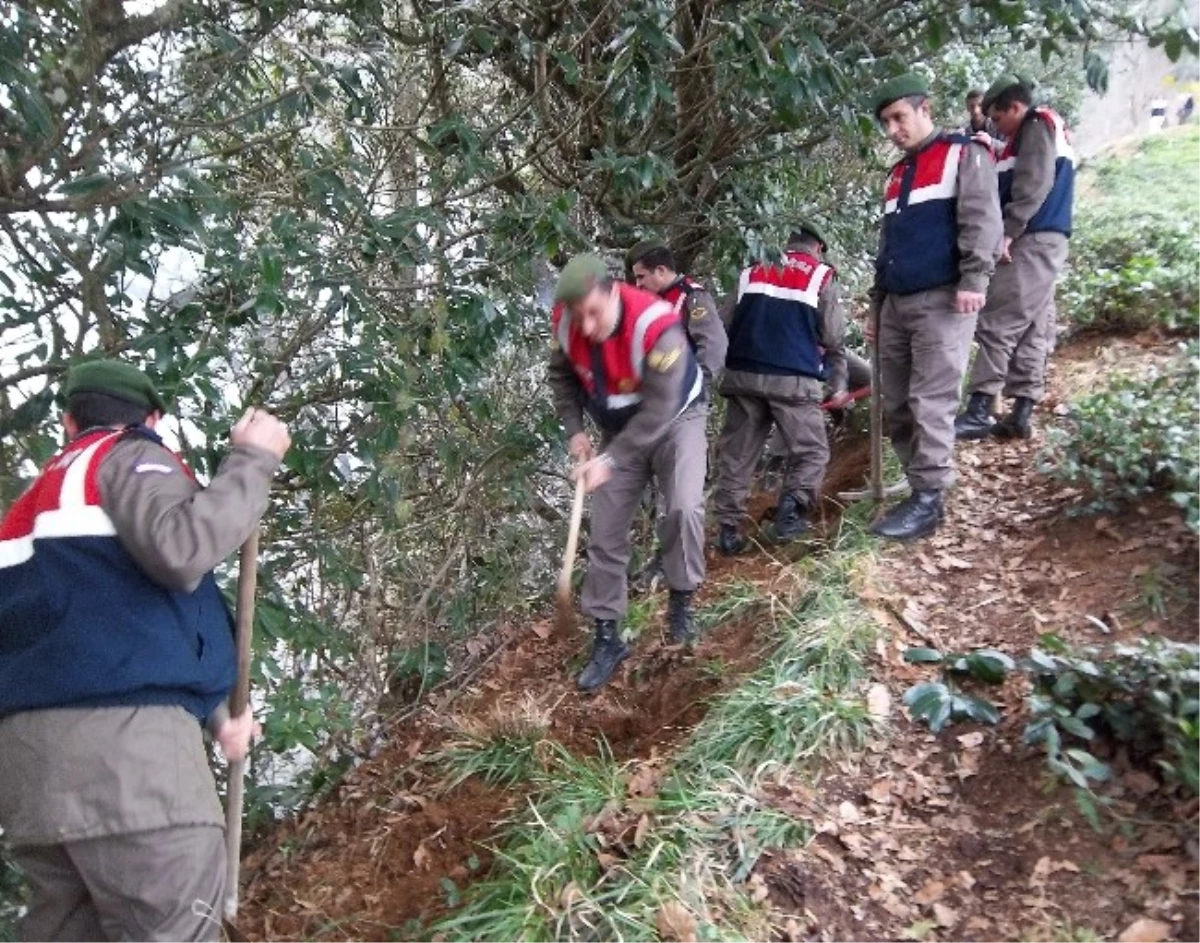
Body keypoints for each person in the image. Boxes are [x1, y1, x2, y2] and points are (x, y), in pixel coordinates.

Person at [0, 359, 290, 942]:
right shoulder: (130, 455)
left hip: (32, 779)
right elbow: (182, 550)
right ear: (152, 419)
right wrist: (254, 460)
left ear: (65, 421)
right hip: (134, 775)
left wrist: (216, 714)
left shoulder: (29, 509)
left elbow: (94, 632)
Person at [548, 254, 707, 690]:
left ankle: (681, 603)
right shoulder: (565, 323)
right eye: (578, 317)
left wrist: (611, 460)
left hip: (675, 419)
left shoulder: (655, 326)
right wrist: (575, 431)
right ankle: (607, 637)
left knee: (683, 508)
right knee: (605, 533)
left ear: (613, 292)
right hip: (615, 427)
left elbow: (659, 410)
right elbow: (561, 379)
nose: (586, 326)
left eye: (594, 314)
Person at [868, 73, 1003, 541]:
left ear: (924, 108)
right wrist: (876, 307)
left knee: (932, 400)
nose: (892, 129)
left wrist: (975, 278)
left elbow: (982, 219)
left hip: (944, 300)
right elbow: (888, 247)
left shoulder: (964, 154)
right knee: (898, 404)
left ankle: (929, 498)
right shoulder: (899, 173)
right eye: (885, 122)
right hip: (897, 304)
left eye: (899, 117)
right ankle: (916, 483)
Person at [711, 221, 847, 555]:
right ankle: (790, 515)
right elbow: (832, 337)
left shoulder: (751, 270)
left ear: (788, 243)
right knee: (811, 450)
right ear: (818, 247)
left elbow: (720, 323)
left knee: (738, 454)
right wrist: (838, 384)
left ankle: (728, 531)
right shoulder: (820, 275)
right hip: (793, 380)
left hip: (743, 377)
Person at [955, 75, 1074, 442]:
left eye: (998, 117)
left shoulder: (1036, 124)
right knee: (1034, 327)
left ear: (1016, 108)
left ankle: (978, 409)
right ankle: (1021, 411)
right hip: (1047, 239)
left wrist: (1009, 230)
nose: (996, 125)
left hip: (1033, 238)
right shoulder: (1039, 130)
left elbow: (1033, 182)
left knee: (999, 320)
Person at [625, 240, 729, 587]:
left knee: (682, 497)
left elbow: (712, 346)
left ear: (661, 271)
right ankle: (663, 559)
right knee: (660, 496)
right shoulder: (647, 305)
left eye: (642, 276)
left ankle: (682, 577)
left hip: (683, 410)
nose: (637, 284)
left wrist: (695, 388)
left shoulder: (692, 298)